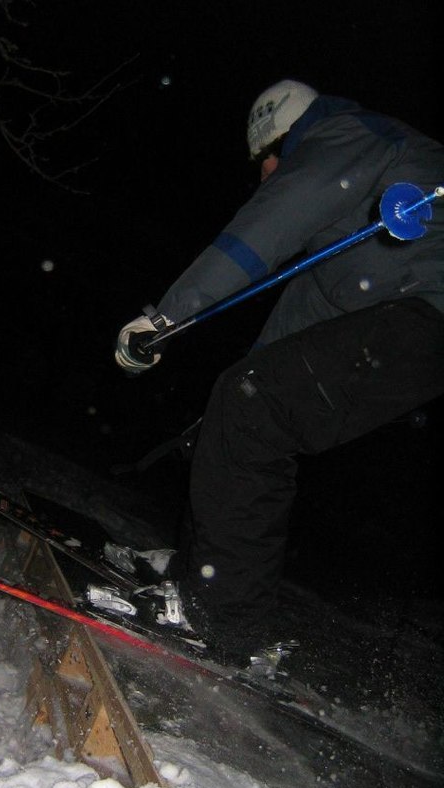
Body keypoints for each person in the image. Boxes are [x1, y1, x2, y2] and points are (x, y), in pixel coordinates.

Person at [115, 79, 444, 665]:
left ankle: (224, 619)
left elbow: (263, 231)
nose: (264, 174)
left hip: (428, 313)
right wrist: (217, 418)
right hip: (408, 318)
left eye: (266, 160)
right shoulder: (344, 242)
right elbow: (283, 346)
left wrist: (166, 318)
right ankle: (200, 574)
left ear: (287, 141)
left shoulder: (344, 138)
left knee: (250, 408)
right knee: (244, 404)